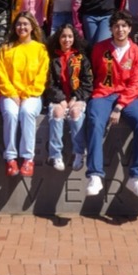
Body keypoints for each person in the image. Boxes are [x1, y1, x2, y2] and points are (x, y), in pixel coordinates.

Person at [84, 10, 138, 199]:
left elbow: (137, 82)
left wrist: (119, 106)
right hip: (103, 94)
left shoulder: (137, 52)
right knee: (95, 121)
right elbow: (95, 74)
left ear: (129, 29)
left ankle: (137, 177)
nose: (120, 29)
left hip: (127, 97)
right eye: (116, 26)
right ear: (111, 29)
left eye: (123, 26)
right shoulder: (99, 48)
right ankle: (95, 174)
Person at [0, 12, 50, 177]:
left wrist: (26, 94)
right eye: (19, 24)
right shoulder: (6, 48)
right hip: (9, 94)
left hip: (32, 95)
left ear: (32, 27)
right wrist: (12, 94)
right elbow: (1, 74)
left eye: (25, 24)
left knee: (27, 112)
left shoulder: (40, 49)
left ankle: (28, 158)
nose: (22, 27)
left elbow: (42, 77)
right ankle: (11, 158)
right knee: (11, 113)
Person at [45, 24, 93, 172]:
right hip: (58, 98)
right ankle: (55, 154)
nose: (67, 39)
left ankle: (79, 152)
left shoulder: (81, 58)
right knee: (57, 113)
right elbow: (49, 83)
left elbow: (88, 83)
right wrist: (60, 99)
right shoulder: (52, 58)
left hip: (77, 97)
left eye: (70, 36)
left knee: (75, 113)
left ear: (74, 38)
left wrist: (74, 98)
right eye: (63, 36)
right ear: (58, 39)